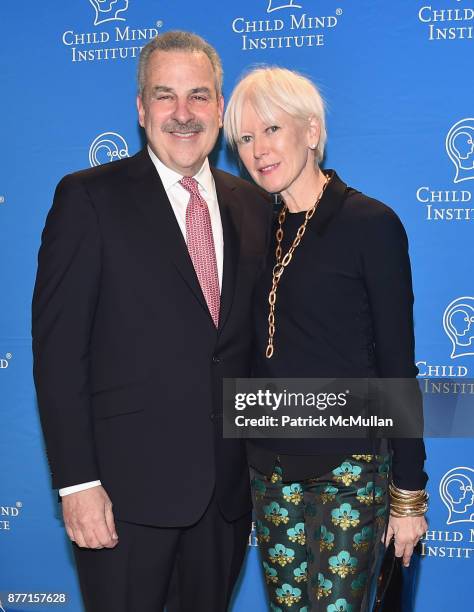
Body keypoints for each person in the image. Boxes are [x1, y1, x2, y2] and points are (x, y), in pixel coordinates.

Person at [32, 32, 271, 612]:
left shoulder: (256, 205)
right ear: (141, 109)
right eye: (165, 96)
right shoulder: (88, 199)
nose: (183, 114)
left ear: (219, 107)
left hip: (226, 498)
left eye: (199, 96)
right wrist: (78, 484)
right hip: (122, 500)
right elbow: (60, 356)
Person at [224, 66, 428, 611]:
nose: (258, 149)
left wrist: (408, 495)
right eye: (245, 138)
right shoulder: (249, 232)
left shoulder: (370, 224)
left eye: (271, 129)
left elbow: (396, 364)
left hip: (349, 472)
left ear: (311, 131)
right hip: (269, 475)